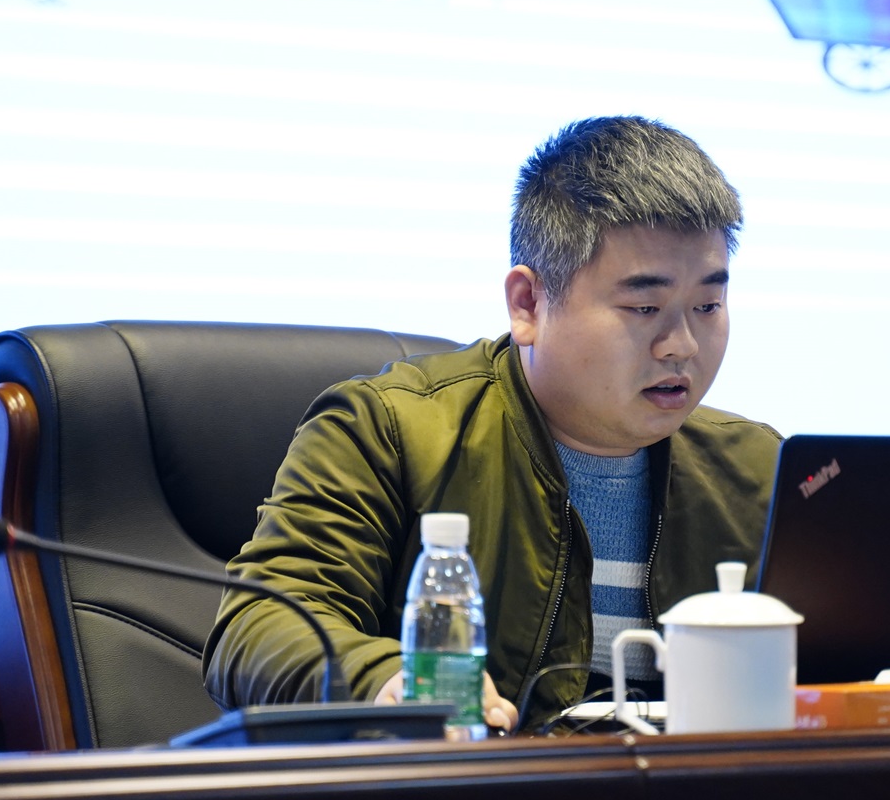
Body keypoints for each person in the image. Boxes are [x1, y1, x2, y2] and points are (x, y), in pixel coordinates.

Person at [201, 117, 782, 732]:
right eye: (644, 307)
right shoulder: (388, 431)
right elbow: (257, 629)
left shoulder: (760, 471)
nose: (681, 345)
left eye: (708, 306)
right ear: (528, 303)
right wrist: (386, 681)